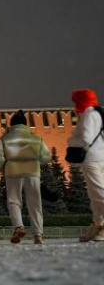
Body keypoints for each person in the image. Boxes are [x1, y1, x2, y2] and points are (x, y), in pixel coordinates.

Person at [0, 110, 50, 244]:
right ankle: (38, 235)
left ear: (12, 124)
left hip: (13, 172)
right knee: (35, 203)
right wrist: (35, 163)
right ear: (25, 124)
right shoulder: (36, 138)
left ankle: (19, 227)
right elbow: (47, 156)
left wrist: (4, 167)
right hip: (33, 173)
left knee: (14, 201)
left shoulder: (5, 138)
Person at [69, 89, 104, 242]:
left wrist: (71, 142)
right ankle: (99, 226)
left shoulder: (89, 115)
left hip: (91, 158)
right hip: (100, 156)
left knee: (98, 193)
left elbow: (86, 137)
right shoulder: (98, 113)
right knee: (95, 195)